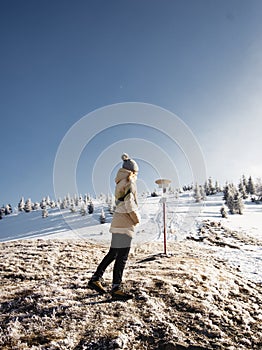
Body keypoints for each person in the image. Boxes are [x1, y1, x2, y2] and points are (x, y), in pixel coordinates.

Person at [88, 153, 140, 300]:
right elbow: (129, 204)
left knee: (114, 253)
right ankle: (116, 288)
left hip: (118, 222)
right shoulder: (130, 182)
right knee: (122, 256)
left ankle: (95, 278)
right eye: (136, 172)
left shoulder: (120, 182)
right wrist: (136, 219)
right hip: (125, 224)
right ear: (133, 172)